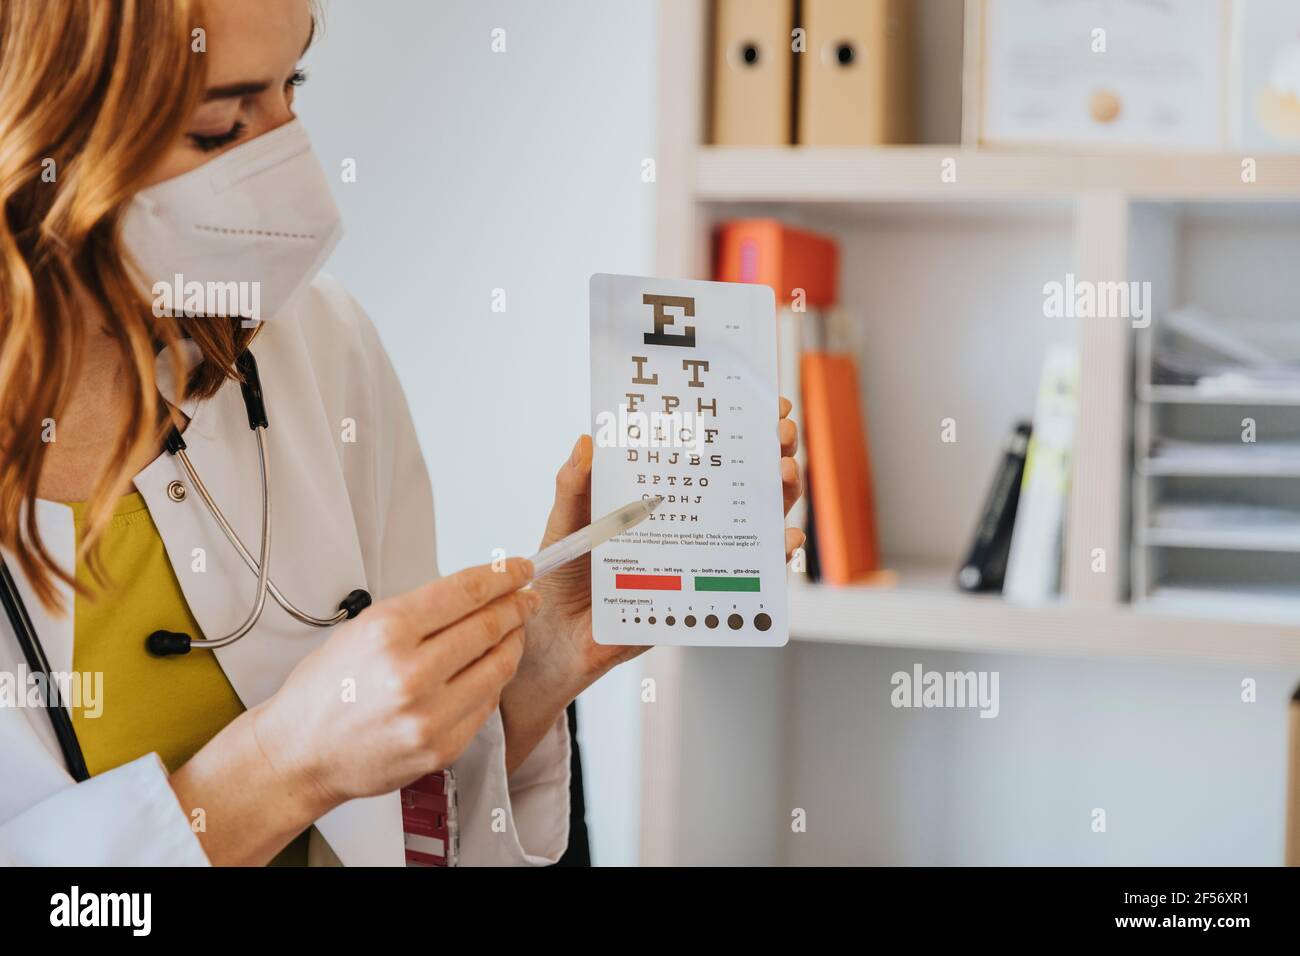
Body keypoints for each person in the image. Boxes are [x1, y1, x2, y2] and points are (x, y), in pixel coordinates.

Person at [0, 0, 803, 865]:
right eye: (220, 125)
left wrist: (534, 668)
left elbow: (405, 827)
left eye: (292, 86)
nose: (293, 169)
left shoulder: (318, 344)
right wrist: (283, 766)